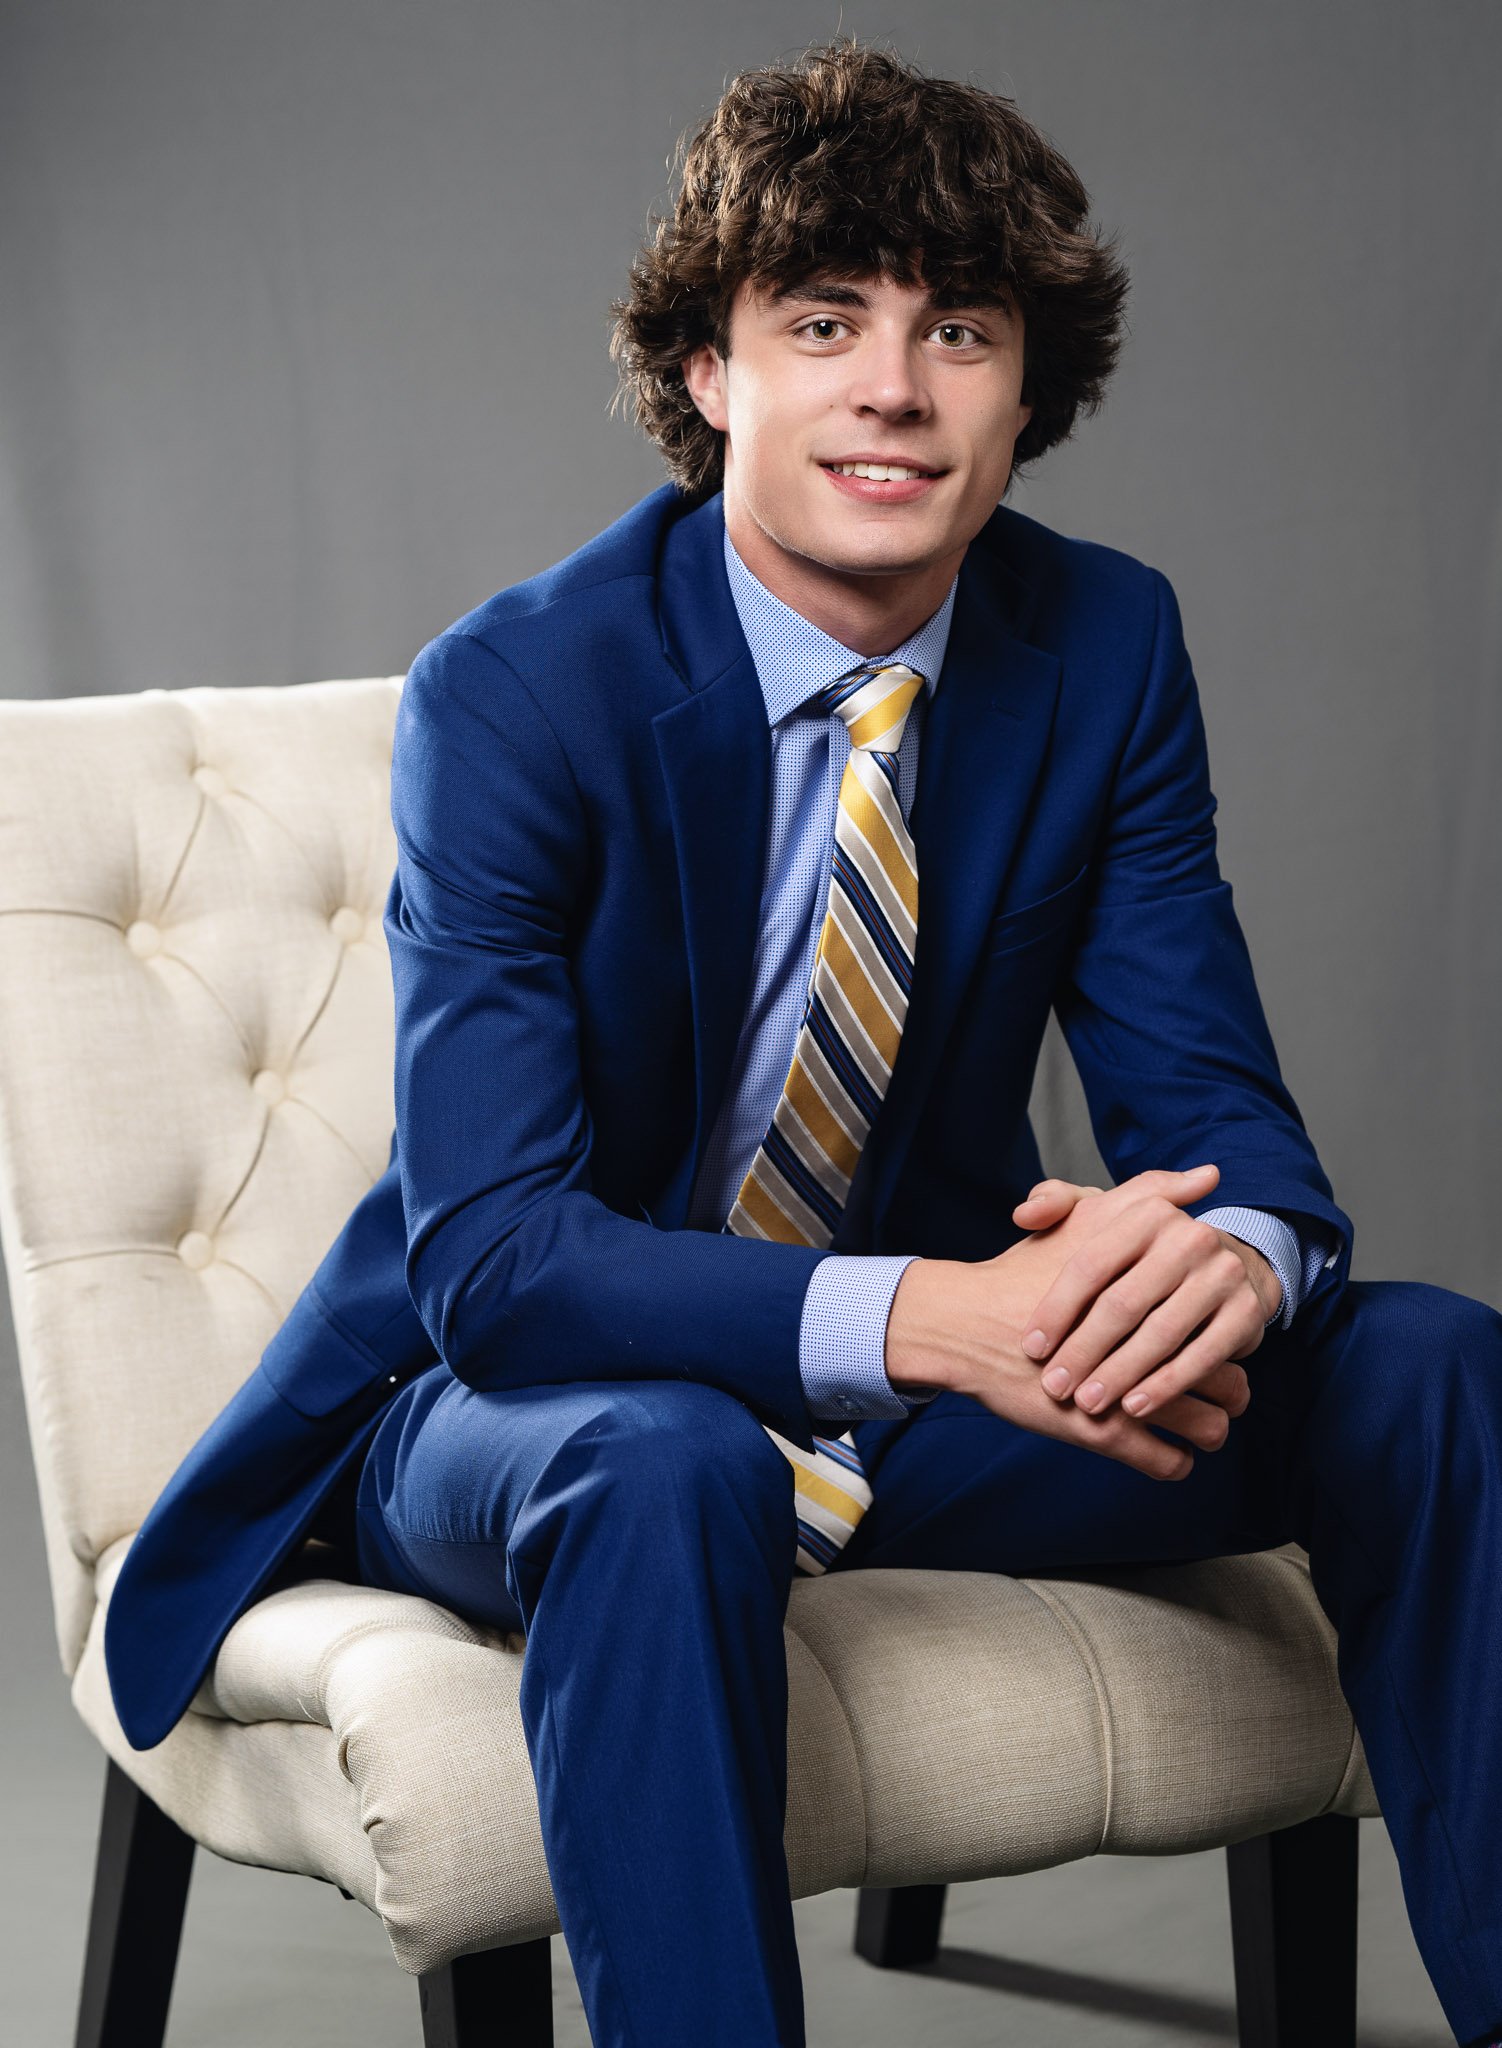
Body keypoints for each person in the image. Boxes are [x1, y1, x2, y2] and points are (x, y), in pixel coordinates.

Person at [104, 37, 1502, 2048]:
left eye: (961, 330)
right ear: (709, 370)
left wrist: (1205, 1264)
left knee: (1430, 1364)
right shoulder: (523, 687)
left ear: (1029, 393)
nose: (894, 387)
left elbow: (1230, 1132)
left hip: (931, 1419)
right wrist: (944, 1314)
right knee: (663, 1458)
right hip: (527, 1407)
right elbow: (495, 1262)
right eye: (823, 321)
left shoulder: (1099, 647)